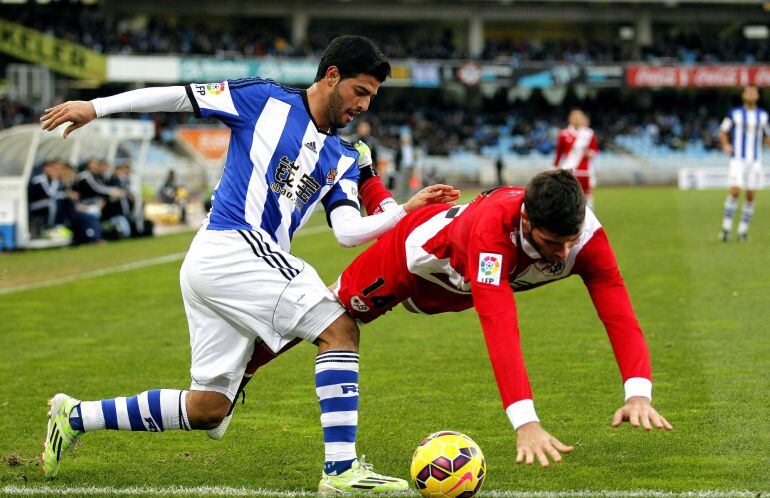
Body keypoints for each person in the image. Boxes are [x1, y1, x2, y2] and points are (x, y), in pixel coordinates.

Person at [38, 35, 459, 492]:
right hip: (233, 246)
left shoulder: (341, 156)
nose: (364, 105)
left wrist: (402, 211)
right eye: (360, 91)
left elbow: (345, 231)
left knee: (208, 410)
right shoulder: (264, 99)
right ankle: (341, 471)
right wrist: (96, 107)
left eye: (372, 98)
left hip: (226, 266)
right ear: (332, 75)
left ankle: (75, 416)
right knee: (339, 328)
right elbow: (179, 96)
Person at [231, 170, 672, 468]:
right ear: (526, 220)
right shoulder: (492, 238)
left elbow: (618, 310)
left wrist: (639, 392)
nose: (562, 254)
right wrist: (526, 423)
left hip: (460, 285)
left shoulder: (587, 238)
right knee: (326, 315)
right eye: (551, 241)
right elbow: (500, 326)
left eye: (569, 240)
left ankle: (369, 178)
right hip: (410, 262)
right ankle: (241, 375)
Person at [719, 85, 770, 242]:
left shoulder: (763, 115)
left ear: (757, 96)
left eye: (753, 92)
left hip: (755, 161)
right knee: (735, 191)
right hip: (738, 159)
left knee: (750, 196)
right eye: (748, 92)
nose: (751, 94)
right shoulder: (734, 113)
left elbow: (767, 135)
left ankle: (742, 231)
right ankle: (726, 228)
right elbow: (723, 130)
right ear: (743, 95)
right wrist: (725, 144)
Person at [554, 109, 598, 209]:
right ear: (570, 119)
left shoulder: (589, 133)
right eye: (574, 117)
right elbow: (559, 152)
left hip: (584, 169)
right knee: (567, 195)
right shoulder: (564, 134)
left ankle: (589, 217)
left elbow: (595, 150)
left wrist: (589, 153)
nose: (576, 119)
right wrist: (556, 166)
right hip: (569, 169)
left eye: (579, 117)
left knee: (587, 195)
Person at [28, 159, 63, 236]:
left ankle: (59, 225)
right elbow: (50, 193)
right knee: (51, 203)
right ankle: (50, 227)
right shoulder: (39, 179)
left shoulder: (53, 180)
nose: (52, 170)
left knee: (59, 202)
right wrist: (55, 180)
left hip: (43, 205)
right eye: (50, 168)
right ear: (44, 169)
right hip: (33, 205)